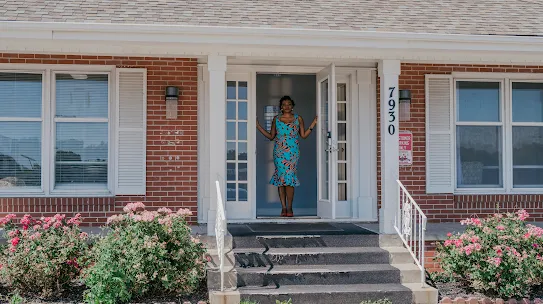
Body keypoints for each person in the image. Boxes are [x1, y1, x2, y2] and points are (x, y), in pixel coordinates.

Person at [256, 96, 318, 217]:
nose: (287, 106)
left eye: (289, 104)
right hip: (279, 152)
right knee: (281, 180)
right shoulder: (276, 119)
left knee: (289, 179)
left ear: (292, 106)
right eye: (284, 104)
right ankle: (283, 208)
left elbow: (304, 135)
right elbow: (271, 136)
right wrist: (258, 126)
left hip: (293, 152)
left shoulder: (298, 118)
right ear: (281, 107)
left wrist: (313, 124)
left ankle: (290, 207)